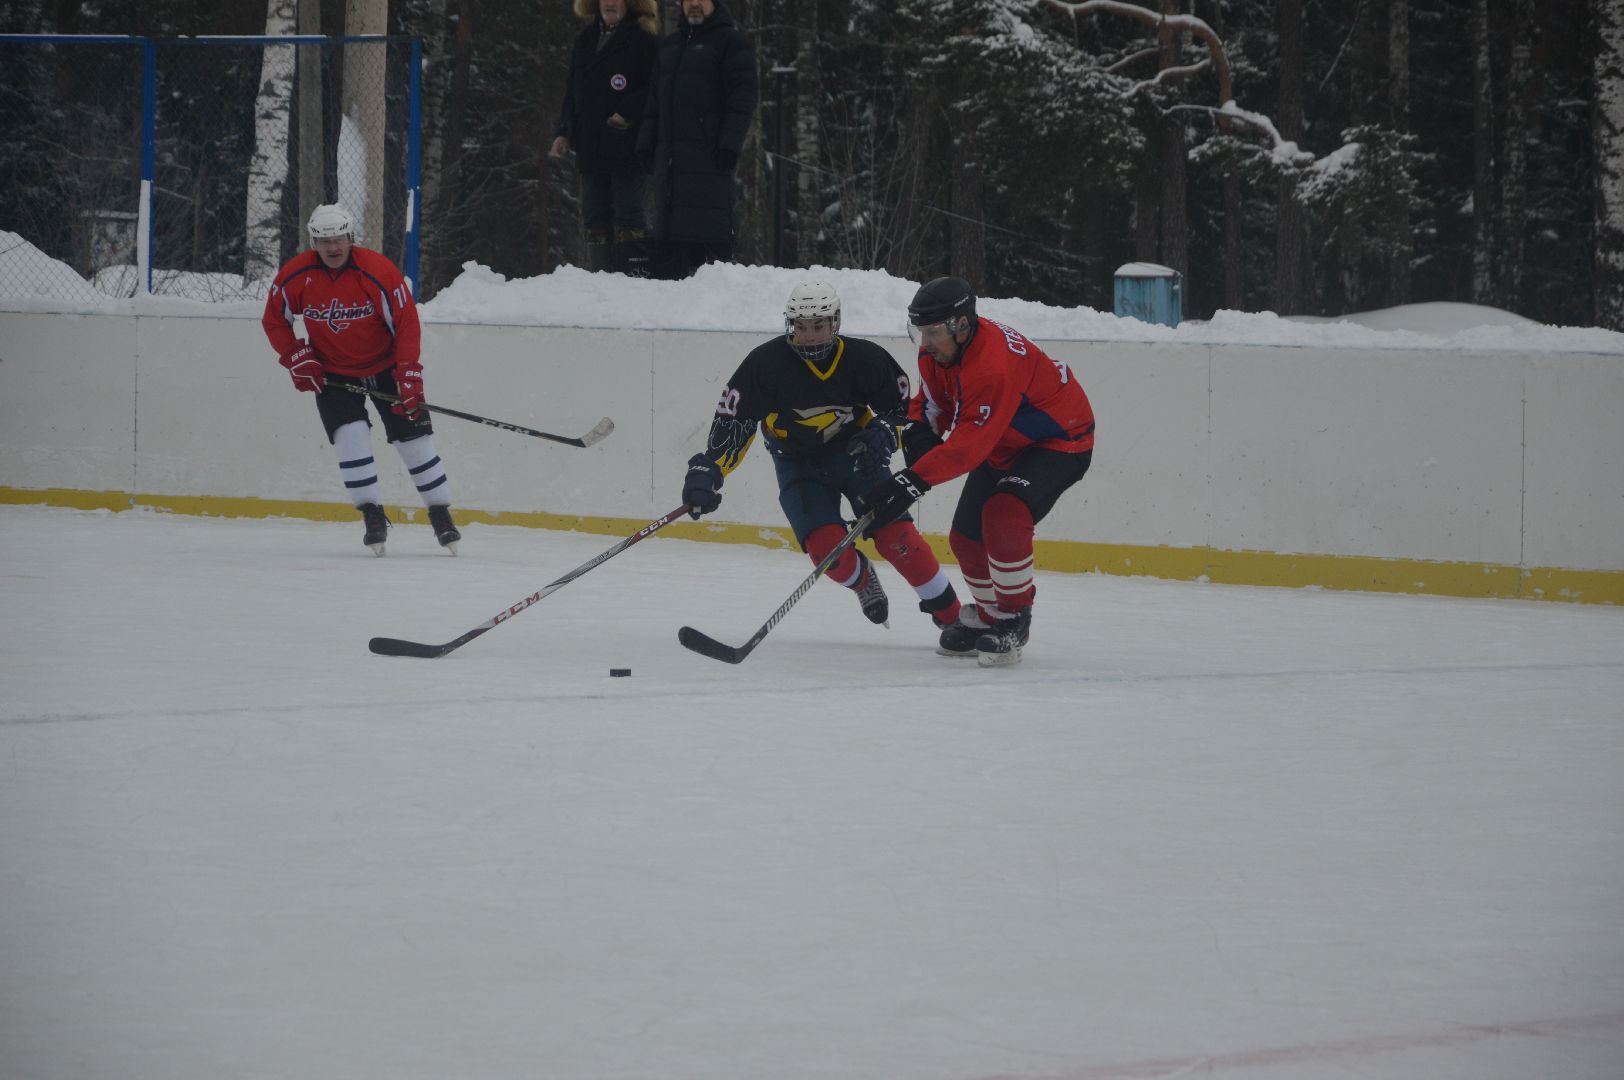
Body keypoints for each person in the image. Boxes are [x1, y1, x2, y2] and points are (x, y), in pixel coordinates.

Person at [681, 281, 963, 632]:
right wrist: (709, 468)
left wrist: (885, 433)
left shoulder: (866, 359)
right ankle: (862, 581)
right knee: (828, 554)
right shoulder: (765, 365)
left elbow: (908, 413)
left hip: (858, 457)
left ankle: (955, 620)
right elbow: (734, 420)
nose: (810, 336)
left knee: (899, 540)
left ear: (835, 323)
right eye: (801, 327)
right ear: (790, 325)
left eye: (818, 326)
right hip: (797, 465)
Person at [856, 277, 1095, 667]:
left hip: (1058, 441)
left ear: (962, 326)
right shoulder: (936, 353)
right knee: (965, 536)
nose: (925, 343)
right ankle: (990, 615)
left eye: (932, 332)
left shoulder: (993, 367)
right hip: (1004, 441)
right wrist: (919, 441)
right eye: (919, 331)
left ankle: (1015, 618)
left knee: (1004, 516)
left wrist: (910, 482)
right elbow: (931, 407)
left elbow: (969, 446)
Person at [260, 203, 461, 557]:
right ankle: (372, 515)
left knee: (413, 440)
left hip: (386, 367)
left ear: (351, 237)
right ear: (313, 243)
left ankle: (441, 514)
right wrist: (294, 355)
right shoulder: (297, 275)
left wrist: (409, 373)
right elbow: (274, 319)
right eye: (323, 241)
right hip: (334, 374)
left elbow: (406, 322)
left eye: (338, 239)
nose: (332, 248)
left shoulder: (377, 270)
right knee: (350, 437)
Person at [636, 0, 757, 280]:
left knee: (708, 248)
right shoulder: (670, 46)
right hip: (670, 166)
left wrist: (729, 143)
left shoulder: (731, 43)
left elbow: (743, 97)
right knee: (669, 247)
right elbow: (654, 102)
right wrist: (646, 142)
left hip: (710, 161)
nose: (694, 4)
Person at [550, 0, 660, 276]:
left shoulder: (643, 40)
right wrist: (563, 131)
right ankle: (602, 279)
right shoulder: (585, 40)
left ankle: (633, 277)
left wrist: (626, 112)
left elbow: (656, 87)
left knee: (628, 214)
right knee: (595, 214)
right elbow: (572, 93)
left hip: (628, 143)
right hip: (590, 144)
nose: (609, 3)